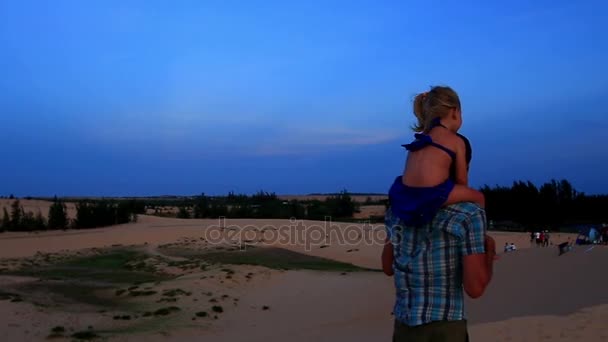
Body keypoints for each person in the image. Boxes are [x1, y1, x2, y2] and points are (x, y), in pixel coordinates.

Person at [382, 129, 496, 342]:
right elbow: (475, 287)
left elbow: (388, 266)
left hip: (404, 328)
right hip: (445, 327)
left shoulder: (397, 210)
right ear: (463, 165)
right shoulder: (468, 214)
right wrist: (489, 253)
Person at [388, 86, 485, 227]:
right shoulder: (456, 140)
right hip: (429, 195)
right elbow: (461, 180)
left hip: (404, 195)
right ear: (454, 112)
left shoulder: (419, 140)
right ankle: (479, 236)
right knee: (478, 197)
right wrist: (461, 193)